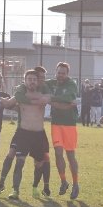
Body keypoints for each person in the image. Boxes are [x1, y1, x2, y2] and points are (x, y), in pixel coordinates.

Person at [23, 62, 80, 199]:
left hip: (70, 124)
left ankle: (76, 184)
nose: (60, 75)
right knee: (58, 153)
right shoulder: (50, 83)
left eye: (63, 73)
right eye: (58, 72)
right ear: (55, 72)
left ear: (67, 74)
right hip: (56, 124)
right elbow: (35, 85)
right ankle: (63, 181)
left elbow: (70, 98)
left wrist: (51, 99)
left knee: (70, 155)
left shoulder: (71, 84)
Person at [0, 66, 51, 196]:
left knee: (39, 163)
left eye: (34, 79)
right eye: (29, 79)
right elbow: (9, 104)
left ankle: (35, 188)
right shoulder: (19, 94)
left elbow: (48, 99)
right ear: (25, 81)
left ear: (37, 81)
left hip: (39, 134)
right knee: (19, 161)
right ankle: (15, 190)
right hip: (23, 133)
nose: (32, 81)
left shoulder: (43, 94)